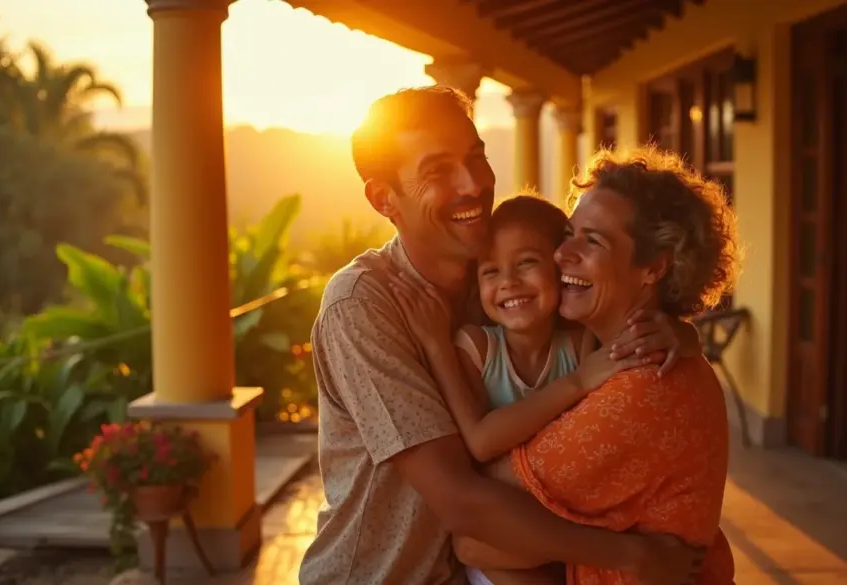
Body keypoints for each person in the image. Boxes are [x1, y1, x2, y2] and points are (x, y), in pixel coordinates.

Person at [300, 87, 703, 585]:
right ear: (385, 198)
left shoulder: (498, 278)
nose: (472, 184)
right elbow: (459, 501)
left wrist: (674, 332)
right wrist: (633, 556)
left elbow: (605, 304)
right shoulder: (365, 305)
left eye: (476, 158)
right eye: (437, 172)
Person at [448, 146, 741, 584]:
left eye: (593, 241)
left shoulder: (640, 386)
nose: (562, 255)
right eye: (569, 233)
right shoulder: (640, 355)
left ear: (653, 268)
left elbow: (475, 534)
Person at [389, 195, 688, 585]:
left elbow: (646, 338)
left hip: (565, 529)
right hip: (499, 543)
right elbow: (481, 441)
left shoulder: (579, 345)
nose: (508, 283)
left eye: (526, 263)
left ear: (559, 267)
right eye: (490, 271)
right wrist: (435, 346)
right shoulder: (475, 349)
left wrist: (682, 333)